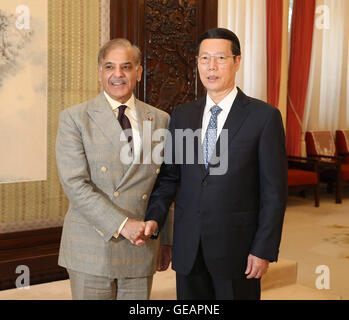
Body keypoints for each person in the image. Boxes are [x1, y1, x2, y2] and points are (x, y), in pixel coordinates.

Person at [144, 28, 288, 300]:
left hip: (238, 249)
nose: (211, 66)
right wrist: (154, 218)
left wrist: (263, 248)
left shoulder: (264, 117)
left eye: (220, 58)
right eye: (204, 58)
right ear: (197, 62)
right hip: (189, 247)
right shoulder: (183, 115)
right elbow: (170, 177)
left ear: (237, 62)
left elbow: (274, 192)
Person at [56, 38, 173, 300]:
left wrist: (164, 238)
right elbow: (75, 185)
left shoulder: (160, 119)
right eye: (110, 67)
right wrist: (122, 224)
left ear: (139, 72)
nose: (117, 75)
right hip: (92, 246)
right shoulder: (75, 118)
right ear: (100, 73)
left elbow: (164, 183)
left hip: (141, 245)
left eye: (126, 67)